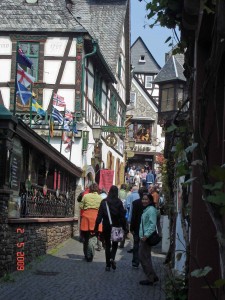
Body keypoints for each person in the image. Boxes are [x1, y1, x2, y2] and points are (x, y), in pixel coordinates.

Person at [94, 185, 126, 271]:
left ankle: (108, 265)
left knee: (107, 245)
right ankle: (112, 258)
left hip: (107, 226)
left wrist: (96, 228)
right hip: (117, 226)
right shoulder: (119, 202)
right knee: (115, 245)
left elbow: (99, 217)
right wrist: (125, 228)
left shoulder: (104, 202)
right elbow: (122, 216)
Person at [139, 193, 159, 285]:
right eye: (143, 199)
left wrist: (146, 235)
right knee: (145, 257)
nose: (144, 201)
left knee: (143, 258)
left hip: (146, 238)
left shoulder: (151, 210)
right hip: (143, 237)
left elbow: (152, 224)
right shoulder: (147, 209)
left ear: (150, 200)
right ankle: (153, 276)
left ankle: (151, 277)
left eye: (146, 199)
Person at [79, 183, 102, 262]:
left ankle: (86, 254)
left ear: (90, 189)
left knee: (86, 237)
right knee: (93, 236)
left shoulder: (86, 196)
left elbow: (81, 206)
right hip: (96, 217)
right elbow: (102, 208)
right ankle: (90, 255)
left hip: (86, 217)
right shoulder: (100, 198)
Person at [130, 188, 148, 268]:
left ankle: (135, 261)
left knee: (136, 244)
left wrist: (131, 227)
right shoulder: (149, 203)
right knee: (145, 245)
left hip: (137, 226)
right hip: (146, 227)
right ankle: (145, 262)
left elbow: (133, 217)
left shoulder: (135, 203)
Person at [125, 185, 140, 253]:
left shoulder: (130, 196)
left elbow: (127, 206)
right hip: (139, 217)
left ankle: (132, 247)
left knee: (131, 232)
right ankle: (138, 246)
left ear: (132, 190)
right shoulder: (140, 196)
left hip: (131, 217)